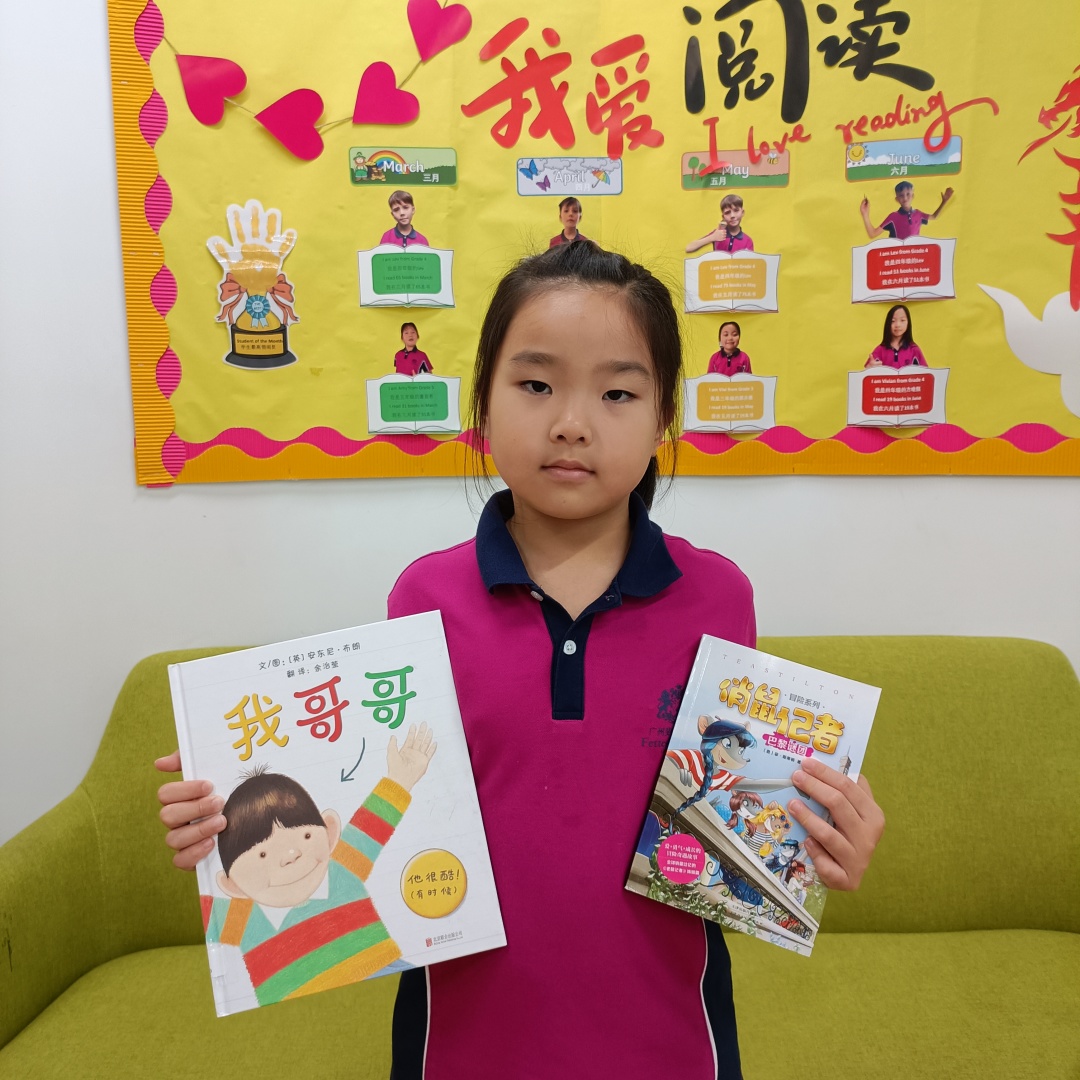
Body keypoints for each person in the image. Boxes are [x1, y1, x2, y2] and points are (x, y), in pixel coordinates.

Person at [156, 241, 885, 1080]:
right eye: (536, 385)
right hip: (458, 1044)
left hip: (672, 1043)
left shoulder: (717, 597)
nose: (572, 422)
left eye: (617, 392)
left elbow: (738, 815)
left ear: (662, 421)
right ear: (483, 404)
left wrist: (822, 840)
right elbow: (372, 807)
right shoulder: (423, 596)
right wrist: (231, 810)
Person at [204, 726, 434, 1006]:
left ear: (330, 832)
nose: (291, 855)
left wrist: (400, 778)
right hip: (297, 1010)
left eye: (305, 836)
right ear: (232, 885)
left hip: (385, 977)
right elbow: (199, 907)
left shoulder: (342, 866)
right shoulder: (240, 917)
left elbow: (373, 822)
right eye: (262, 854)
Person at [860, 181, 954, 241]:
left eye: (908, 194)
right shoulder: (893, 217)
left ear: (913, 196)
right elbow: (872, 233)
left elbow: (934, 217)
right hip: (898, 256)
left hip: (914, 255)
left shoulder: (918, 214)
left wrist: (944, 202)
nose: (905, 198)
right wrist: (865, 214)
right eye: (901, 195)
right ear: (897, 199)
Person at [686, 193, 754, 254]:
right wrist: (712, 237)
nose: (732, 215)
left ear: (742, 212)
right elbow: (689, 248)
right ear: (723, 217)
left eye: (736, 210)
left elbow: (750, 262)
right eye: (727, 212)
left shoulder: (748, 240)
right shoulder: (718, 233)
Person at [865, 304, 929, 368]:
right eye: (893, 321)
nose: (898, 325)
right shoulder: (880, 349)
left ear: (908, 323)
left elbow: (926, 371)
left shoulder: (914, 349)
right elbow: (867, 370)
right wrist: (869, 367)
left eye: (902, 320)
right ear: (888, 324)